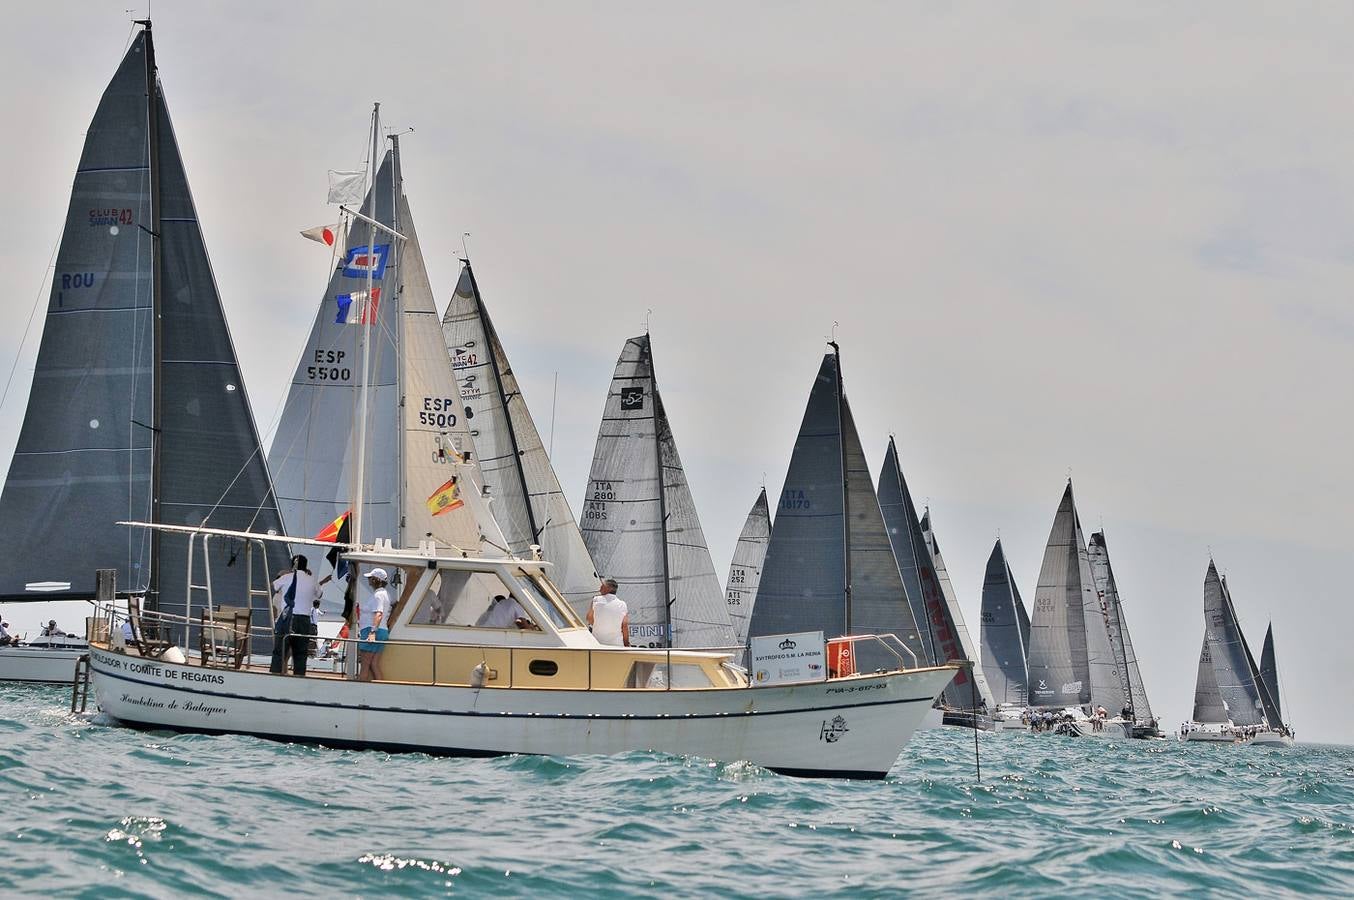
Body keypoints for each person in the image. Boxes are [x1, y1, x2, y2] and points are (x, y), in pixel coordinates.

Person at [271, 555, 324, 676]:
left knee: (279, 651)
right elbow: (320, 594)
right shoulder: (312, 580)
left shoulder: (286, 577)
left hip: (287, 617)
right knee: (300, 653)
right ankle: (299, 677)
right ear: (306, 566)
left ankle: (275, 676)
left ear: (292, 565)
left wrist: (287, 573)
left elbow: (273, 585)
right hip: (304, 620)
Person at [358, 568, 390, 682]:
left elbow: (379, 613)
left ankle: (360, 691)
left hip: (372, 631)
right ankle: (380, 690)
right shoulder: (384, 594)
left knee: (365, 664)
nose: (369, 580)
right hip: (382, 631)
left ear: (377, 580)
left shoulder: (378, 595)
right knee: (374, 664)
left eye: (371, 578)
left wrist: (372, 632)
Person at [587, 577, 629, 647]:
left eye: (602, 586)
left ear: (608, 588)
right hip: (617, 645)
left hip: (598, 643)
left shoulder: (596, 600)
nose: (599, 589)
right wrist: (626, 644)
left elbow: (589, 619)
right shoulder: (622, 604)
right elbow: (624, 625)